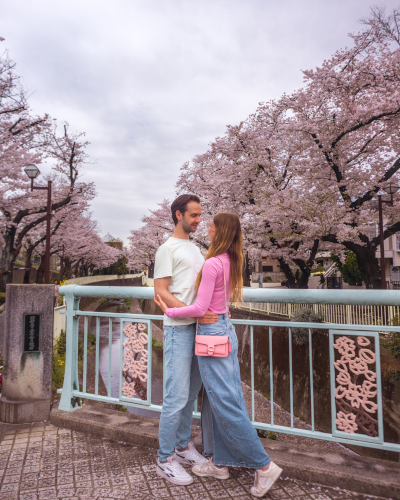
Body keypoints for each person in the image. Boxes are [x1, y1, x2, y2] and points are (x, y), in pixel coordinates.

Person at [155, 213, 283, 498]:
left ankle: (263, 466)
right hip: (226, 330)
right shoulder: (231, 261)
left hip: (210, 335)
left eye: (211, 223)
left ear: (220, 231)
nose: (206, 226)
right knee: (216, 399)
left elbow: (200, 308)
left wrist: (169, 310)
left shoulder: (213, 263)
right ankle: (218, 461)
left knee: (225, 401)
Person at [154, 194, 219, 486]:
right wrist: (194, 314)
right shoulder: (166, 249)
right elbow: (161, 291)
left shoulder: (195, 248)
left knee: (191, 393)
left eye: (200, 215)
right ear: (178, 215)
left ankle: (182, 446)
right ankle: (164, 457)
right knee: (175, 396)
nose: (198, 220)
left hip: (198, 328)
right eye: (193, 214)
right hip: (179, 329)